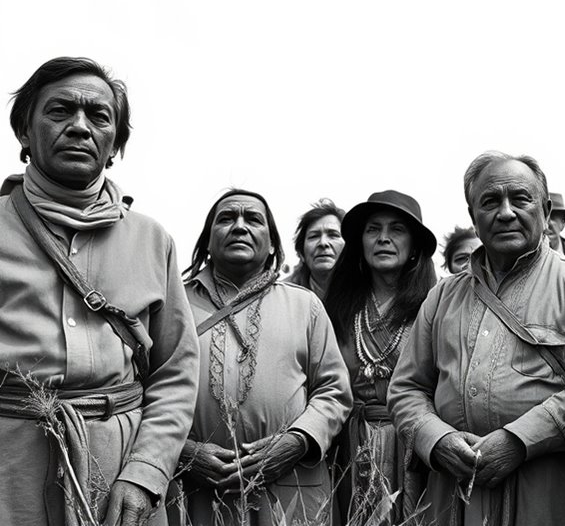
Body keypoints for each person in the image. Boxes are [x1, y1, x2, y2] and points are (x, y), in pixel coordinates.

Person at [0, 57, 200, 526]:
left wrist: (146, 472)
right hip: (9, 469)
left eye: (98, 115)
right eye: (59, 110)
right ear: (24, 133)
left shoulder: (152, 240)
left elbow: (175, 372)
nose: (79, 126)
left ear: (114, 146)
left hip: (120, 470)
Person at [388, 152, 565, 526]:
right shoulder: (443, 296)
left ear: (545, 211)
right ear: (473, 216)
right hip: (454, 496)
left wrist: (519, 440)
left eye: (521, 199)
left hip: (548, 494)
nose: (506, 212)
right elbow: (406, 388)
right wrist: (437, 440)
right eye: (490, 201)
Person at [177, 189, 352, 525]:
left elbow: (334, 392)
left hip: (289, 486)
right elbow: (146, 388)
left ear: (272, 244)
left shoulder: (305, 306)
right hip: (194, 491)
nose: (240, 226)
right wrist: (184, 452)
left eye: (253, 219)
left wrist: (297, 441)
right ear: (207, 242)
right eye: (227, 218)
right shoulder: (174, 304)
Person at [324, 190, 437, 524]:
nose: (383, 238)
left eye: (396, 229)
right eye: (373, 229)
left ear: (414, 246)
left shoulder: (434, 306)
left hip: (414, 447)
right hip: (348, 446)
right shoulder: (337, 308)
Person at [285, 198, 346, 301]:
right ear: (301, 253)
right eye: (314, 236)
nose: (323, 243)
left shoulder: (368, 292)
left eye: (333, 235)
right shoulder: (285, 296)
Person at [546, 192, 565, 256]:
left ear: (563, 222)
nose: (548, 223)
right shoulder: (525, 253)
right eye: (544, 217)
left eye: (553, 217)